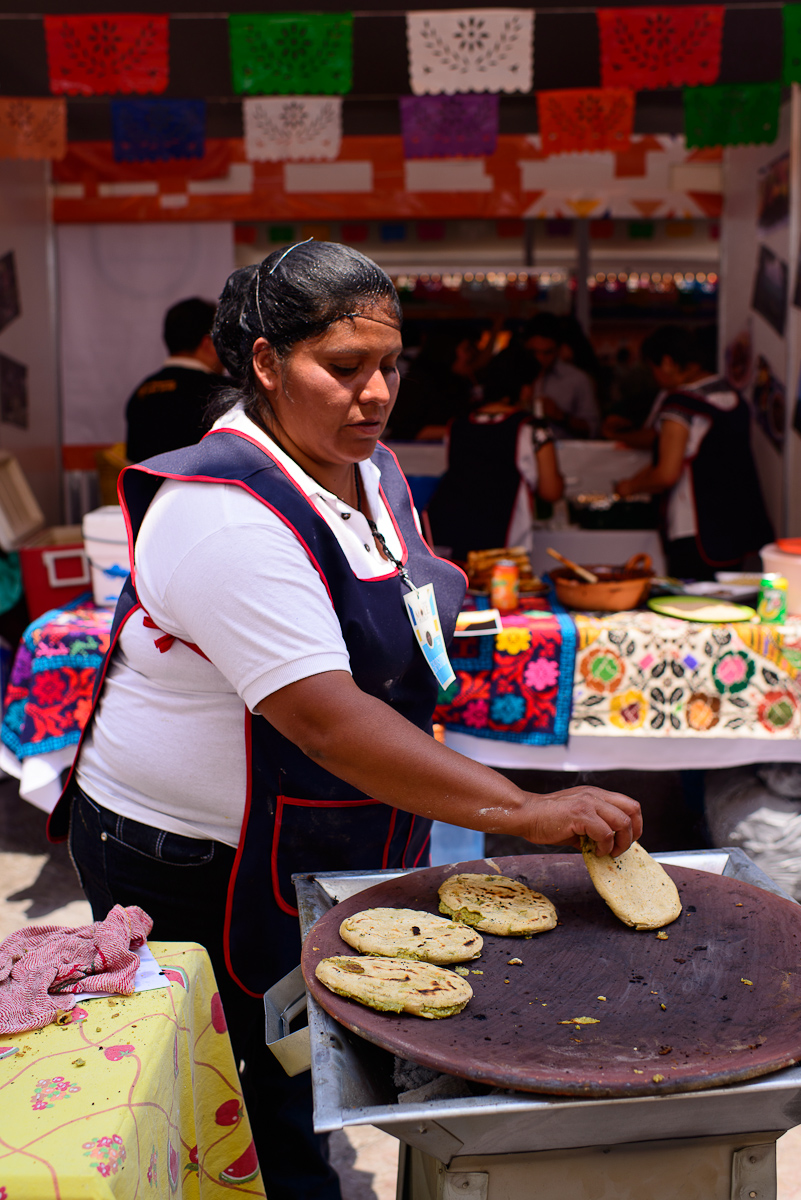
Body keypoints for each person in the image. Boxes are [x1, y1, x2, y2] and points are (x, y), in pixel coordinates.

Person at [48, 242, 641, 1200]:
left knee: (306, 1060)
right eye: (343, 368)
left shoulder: (366, 469)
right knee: (242, 1093)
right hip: (188, 856)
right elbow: (326, 721)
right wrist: (520, 811)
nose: (374, 394)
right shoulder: (223, 513)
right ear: (266, 364)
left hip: (307, 831)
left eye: (388, 366)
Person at [615, 325, 773, 580]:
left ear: (667, 362)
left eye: (653, 369)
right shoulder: (731, 395)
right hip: (737, 524)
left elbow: (667, 473)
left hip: (696, 528)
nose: (655, 377)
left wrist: (630, 486)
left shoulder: (680, 405)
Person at [426, 381, 564, 559]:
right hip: (505, 537)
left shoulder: (458, 424)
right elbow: (551, 491)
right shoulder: (530, 427)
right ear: (524, 389)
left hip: (451, 531)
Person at [125, 296, 225, 463]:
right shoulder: (222, 393)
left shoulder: (141, 393)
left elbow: (131, 465)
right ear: (208, 343)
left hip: (151, 489)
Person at [520, 312, 601, 438]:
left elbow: (593, 429)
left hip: (564, 454)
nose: (540, 359)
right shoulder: (514, 375)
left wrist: (560, 416)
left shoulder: (577, 379)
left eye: (548, 352)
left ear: (559, 349)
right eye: (533, 352)